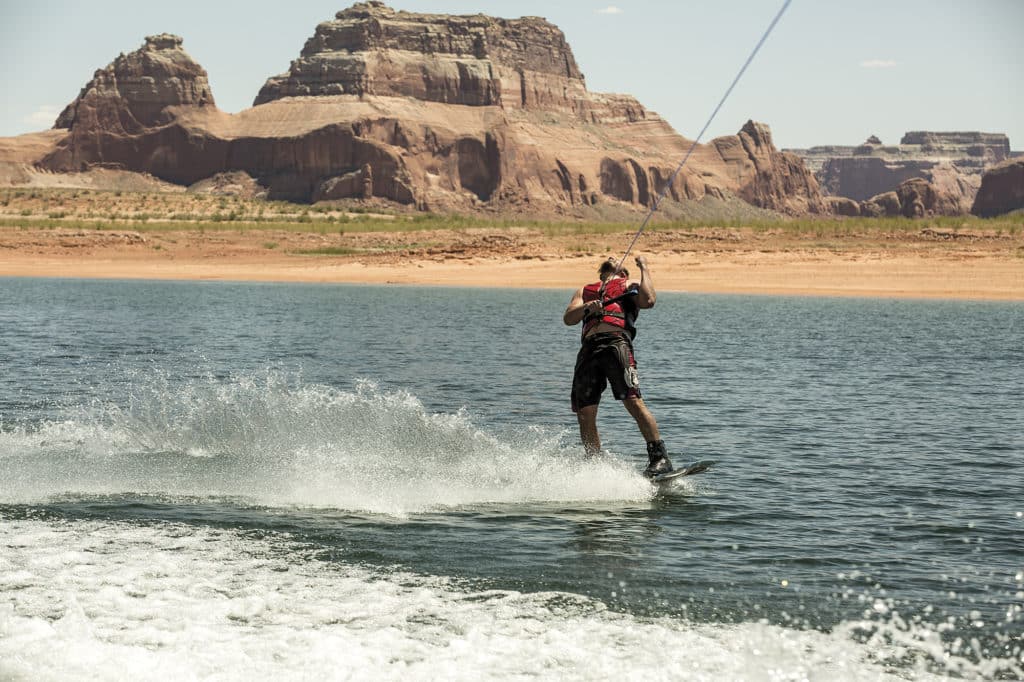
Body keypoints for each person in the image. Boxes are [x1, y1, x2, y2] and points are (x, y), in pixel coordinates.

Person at [562, 255, 673, 476]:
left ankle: (659, 459)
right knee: (585, 412)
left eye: (616, 261)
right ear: (600, 272)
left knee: (632, 401)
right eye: (608, 260)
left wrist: (644, 268)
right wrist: (587, 308)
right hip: (589, 350)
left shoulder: (630, 285)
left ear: (624, 272)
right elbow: (568, 318)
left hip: (616, 344)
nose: (611, 257)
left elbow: (648, 300)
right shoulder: (585, 290)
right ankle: (593, 463)